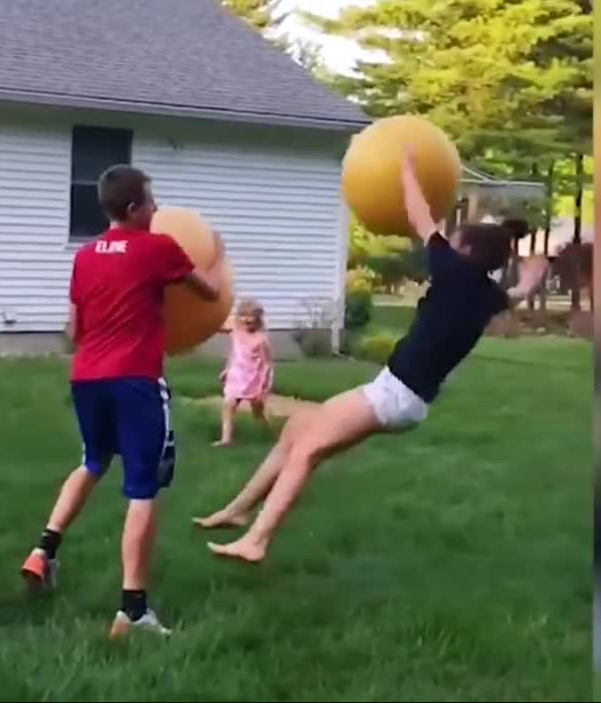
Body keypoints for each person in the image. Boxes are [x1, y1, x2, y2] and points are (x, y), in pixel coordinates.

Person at [194, 152, 550, 563]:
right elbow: (513, 296)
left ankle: (256, 540)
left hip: (395, 395)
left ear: (465, 250)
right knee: (298, 428)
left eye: (454, 242)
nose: (446, 243)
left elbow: (420, 217)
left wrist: (407, 170)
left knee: (307, 450)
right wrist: (530, 279)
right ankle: (237, 512)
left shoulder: (454, 272)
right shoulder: (487, 293)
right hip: (401, 395)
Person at [20, 164, 225, 638]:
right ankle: (132, 611)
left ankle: (44, 550)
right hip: (135, 379)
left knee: (93, 460)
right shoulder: (158, 249)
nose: (156, 210)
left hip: (87, 376)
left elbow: (73, 331)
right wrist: (217, 256)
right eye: (151, 202)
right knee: (142, 487)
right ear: (133, 209)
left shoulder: (85, 255)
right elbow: (210, 293)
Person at [213, 299, 274, 447]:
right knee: (228, 406)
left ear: (258, 318)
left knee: (257, 411)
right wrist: (227, 369)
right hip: (236, 376)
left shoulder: (261, 340)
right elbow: (234, 353)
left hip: (253, 379)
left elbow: (267, 365)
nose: (246, 319)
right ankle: (226, 439)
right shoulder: (236, 332)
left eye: (250, 316)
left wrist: (264, 387)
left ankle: (268, 431)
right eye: (243, 315)